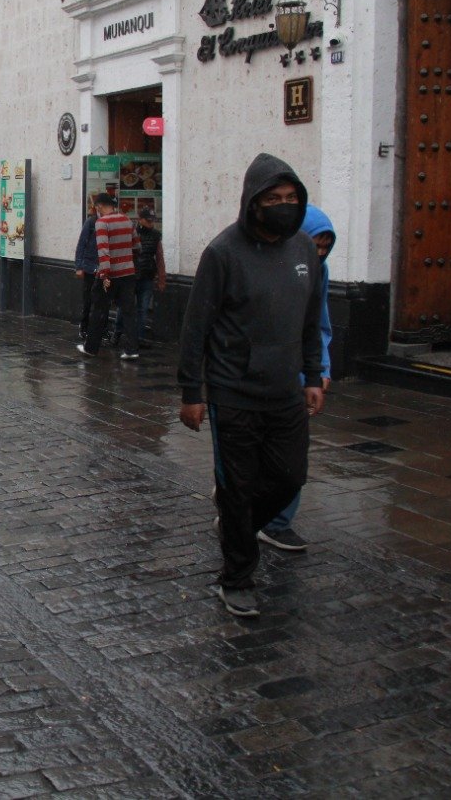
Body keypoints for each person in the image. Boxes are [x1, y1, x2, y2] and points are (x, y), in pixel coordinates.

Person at [177, 153, 325, 618]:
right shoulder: (223, 253)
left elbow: (311, 319)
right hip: (233, 392)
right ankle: (237, 577)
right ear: (253, 202)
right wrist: (191, 393)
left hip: (285, 391)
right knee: (240, 487)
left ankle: (237, 523)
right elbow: (195, 327)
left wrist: (314, 375)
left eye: (291, 197)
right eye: (273, 198)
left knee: (288, 477)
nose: (284, 205)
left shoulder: (304, 250)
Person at [258, 204, 336, 552]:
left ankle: (277, 522)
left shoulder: (320, 271)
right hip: (254, 374)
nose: (318, 253)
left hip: (297, 376)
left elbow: (319, 324)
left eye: (325, 247)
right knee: (249, 452)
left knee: (291, 456)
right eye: (314, 244)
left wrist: (321, 371)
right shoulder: (260, 262)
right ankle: (238, 506)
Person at [78, 194, 140, 360]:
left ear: (99, 206)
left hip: (110, 274)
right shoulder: (128, 220)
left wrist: (105, 275)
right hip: (128, 273)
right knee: (128, 312)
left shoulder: (102, 223)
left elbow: (103, 251)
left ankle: (91, 348)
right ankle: (132, 349)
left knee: (99, 310)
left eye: (97, 207)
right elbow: (137, 246)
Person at [114, 208, 167, 348]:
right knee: (125, 307)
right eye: (148, 221)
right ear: (140, 219)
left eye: (153, 221)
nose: (151, 224)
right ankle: (117, 332)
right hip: (130, 276)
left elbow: (159, 257)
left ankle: (139, 337)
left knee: (142, 309)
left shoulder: (156, 235)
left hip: (147, 276)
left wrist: (161, 278)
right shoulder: (131, 232)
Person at [73, 203, 99, 340]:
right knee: (88, 300)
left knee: (101, 301)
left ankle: (101, 329)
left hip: (103, 267)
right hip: (90, 266)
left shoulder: (108, 222)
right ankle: (84, 327)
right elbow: (82, 243)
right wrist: (79, 266)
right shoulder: (91, 222)